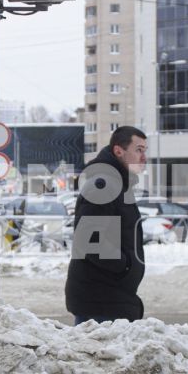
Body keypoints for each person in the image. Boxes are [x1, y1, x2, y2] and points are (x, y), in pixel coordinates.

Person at [65, 126, 149, 325]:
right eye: (139, 150)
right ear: (119, 151)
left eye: (145, 150)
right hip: (100, 301)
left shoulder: (117, 184)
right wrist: (125, 265)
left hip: (110, 297)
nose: (144, 157)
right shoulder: (103, 184)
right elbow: (91, 240)